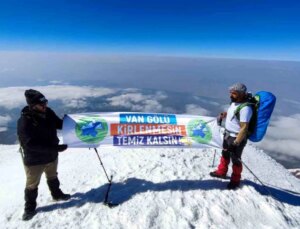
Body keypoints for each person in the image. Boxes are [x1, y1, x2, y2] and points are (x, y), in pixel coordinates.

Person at [17, 89, 70, 221]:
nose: (45, 106)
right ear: (33, 105)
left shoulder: (48, 112)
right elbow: (29, 145)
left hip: (51, 155)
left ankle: (57, 194)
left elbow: (59, 124)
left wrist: (71, 122)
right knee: (32, 184)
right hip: (34, 160)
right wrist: (54, 148)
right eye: (42, 104)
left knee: (52, 176)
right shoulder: (24, 121)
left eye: (45, 102)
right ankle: (29, 208)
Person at [210, 83, 253, 190]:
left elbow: (244, 128)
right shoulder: (235, 103)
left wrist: (236, 143)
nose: (231, 95)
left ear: (241, 94)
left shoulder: (245, 109)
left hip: (236, 138)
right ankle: (221, 172)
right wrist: (225, 114)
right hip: (227, 135)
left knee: (236, 159)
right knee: (225, 153)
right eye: (231, 93)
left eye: (234, 93)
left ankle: (235, 180)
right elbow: (234, 115)